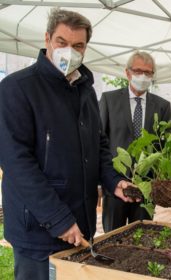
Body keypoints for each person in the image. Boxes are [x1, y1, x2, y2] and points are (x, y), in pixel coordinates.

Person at [0, 8, 138, 280]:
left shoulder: (84, 91)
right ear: (47, 38)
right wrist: (57, 219)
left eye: (78, 46)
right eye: (62, 43)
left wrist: (114, 181)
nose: (69, 51)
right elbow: (17, 163)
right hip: (38, 229)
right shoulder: (17, 88)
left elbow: (97, 145)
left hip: (80, 224)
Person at [99, 51, 171, 232]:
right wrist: (102, 180)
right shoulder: (109, 100)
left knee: (141, 234)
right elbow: (99, 141)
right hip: (115, 184)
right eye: (138, 71)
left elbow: (164, 145)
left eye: (148, 73)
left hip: (146, 186)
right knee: (112, 236)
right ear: (128, 72)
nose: (143, 76)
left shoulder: (162, 106)